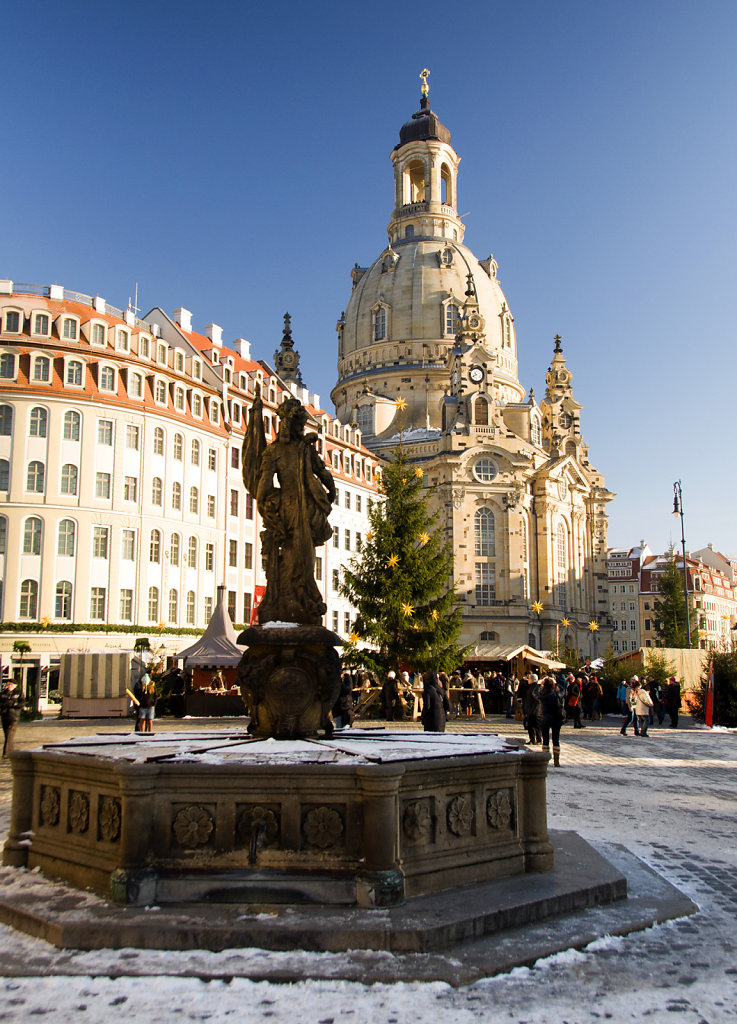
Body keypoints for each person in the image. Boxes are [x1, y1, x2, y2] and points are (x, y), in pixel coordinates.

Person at [242, 391, 336, 626]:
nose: (303, 429)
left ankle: (289, 600)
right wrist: (331, 492)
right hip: (301, 510)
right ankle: (301, 599)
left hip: (287, 508)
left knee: (295, 556)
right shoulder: (301, 449)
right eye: (302, 424)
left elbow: (263, 485)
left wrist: (266, 502)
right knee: (302, 557)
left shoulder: (275, 451)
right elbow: (323, 474)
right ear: (293, 424)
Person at [540, 676, 564, 767]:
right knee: (556, 740)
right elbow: (563, 690)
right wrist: (557, 683)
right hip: (556, 719)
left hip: (545, 719)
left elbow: (535, 693)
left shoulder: (542, 696)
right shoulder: (556, 695)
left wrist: (539, 685)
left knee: (545, 740)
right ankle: (556, 761)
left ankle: (545, 760)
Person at [1, 678, 23, 758]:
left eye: (10, 684)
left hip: (14, 717)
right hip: (4, 716)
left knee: (10, 734)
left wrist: (13, 704)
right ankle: (11, 751)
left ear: (15, 685)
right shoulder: (3, 693)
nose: (9, 686)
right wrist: (5, 704)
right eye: (8, 684)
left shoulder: (19, 693)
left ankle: (5, 753)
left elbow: (21, 704)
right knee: (7, 735)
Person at [525, 675, 543, 745]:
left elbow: (537, 699)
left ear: (532, 680)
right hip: (532, 709)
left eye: (529, 679)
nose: (528, 680)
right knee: (532, 725)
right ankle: (533, 739)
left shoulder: (536, 687)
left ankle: (537, 739)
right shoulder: (533, 687)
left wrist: (533, 709)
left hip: (535, 709)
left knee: (535, 725)